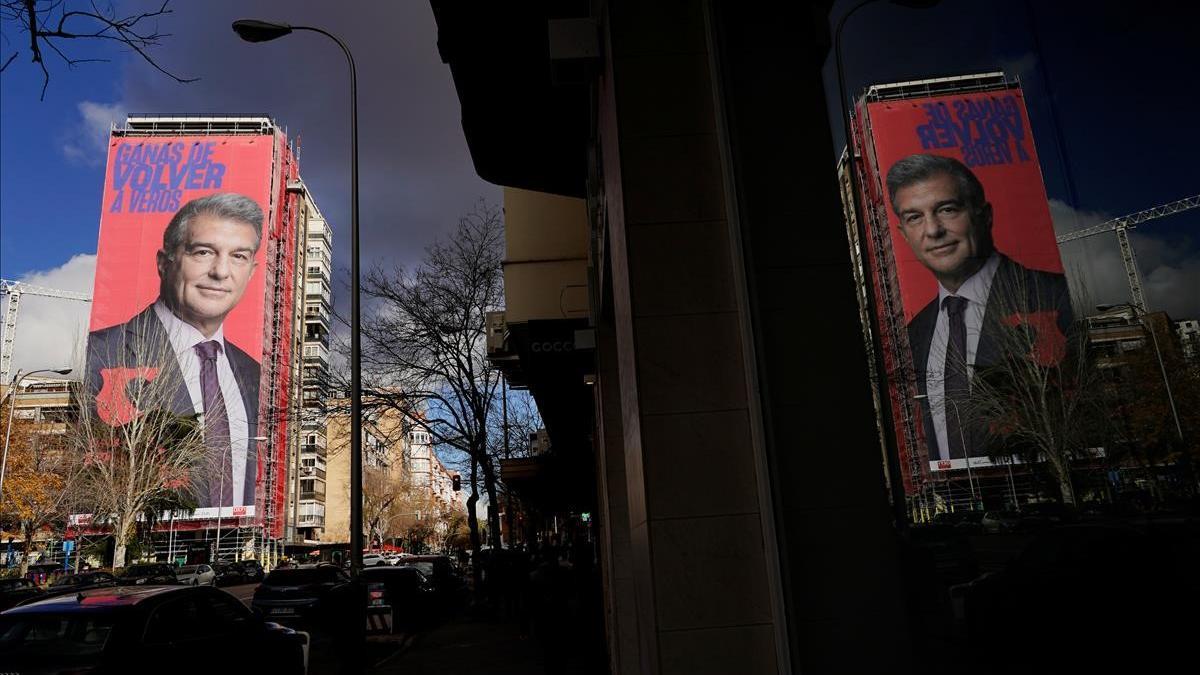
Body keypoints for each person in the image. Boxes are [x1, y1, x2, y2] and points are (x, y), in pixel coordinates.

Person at [887, 154, 1073, 461]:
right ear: (904, 235)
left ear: (984, 215)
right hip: (955, 491)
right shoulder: (913, 335)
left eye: (947, 210)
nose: (933, 230)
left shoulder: (1054, 296)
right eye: (914, 217)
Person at [86, 192, 263, 508]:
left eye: (239, 256)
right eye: (203, 252)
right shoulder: (101, 352)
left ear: (251, 271)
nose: (221, 272)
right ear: (164, 263)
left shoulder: (253, 372)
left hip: (235, 537)